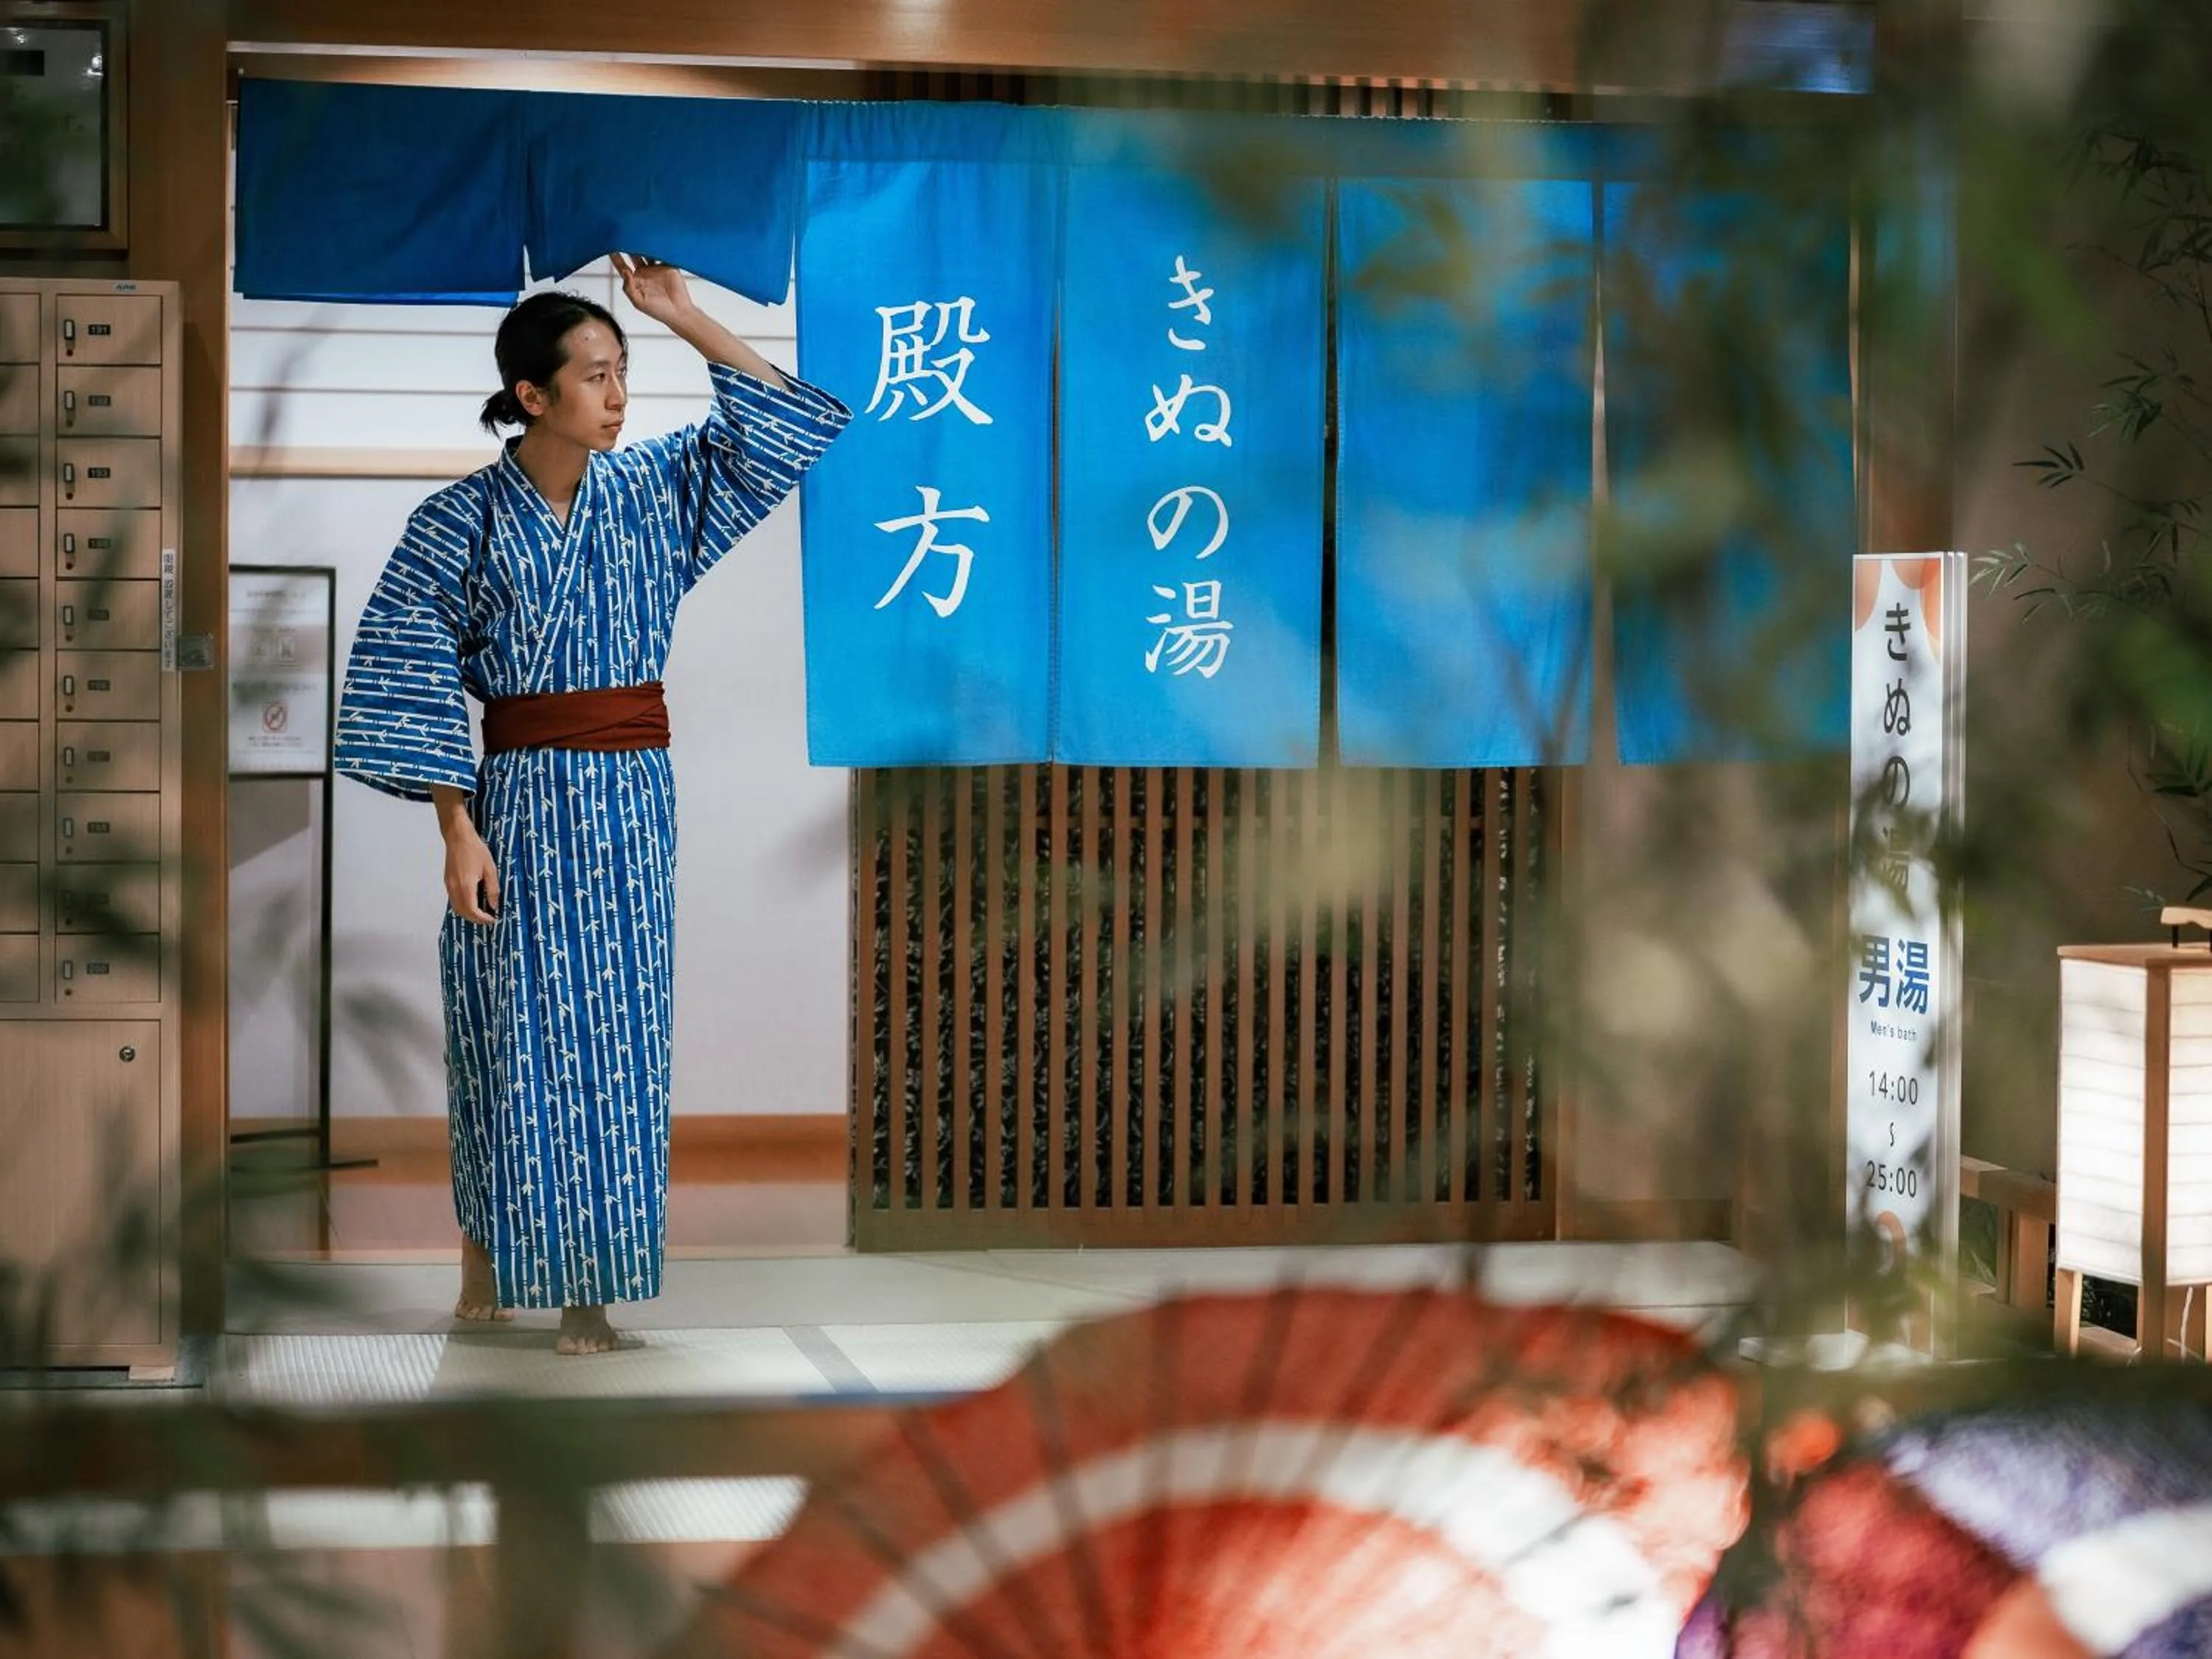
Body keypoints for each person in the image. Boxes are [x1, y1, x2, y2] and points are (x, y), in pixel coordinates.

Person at [335, 254, 849, 1354]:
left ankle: (589, 1289)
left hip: (628, 803)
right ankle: (485, 1241)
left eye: (626, 374)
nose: (621, 397)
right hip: (516, 801)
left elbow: (790, 425)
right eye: (599, 376)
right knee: (502, 1028)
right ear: (532, 395)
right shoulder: (458, 522)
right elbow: (411, 667)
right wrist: (454, 827)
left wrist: (684, 313)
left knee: (615, 1035)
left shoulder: (654, 491)